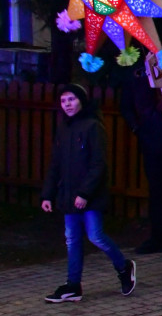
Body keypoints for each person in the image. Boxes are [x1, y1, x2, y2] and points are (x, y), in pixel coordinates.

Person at [42, 84, 137, 303]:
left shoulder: (93, 126)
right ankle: (73, 285)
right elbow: (55, 164)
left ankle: (124, 267)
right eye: (64, 100)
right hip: (67, 195)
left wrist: (85, 193)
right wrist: (47, 194)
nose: (67, 104)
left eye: (72, 99)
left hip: (89, 196)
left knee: (95, 235)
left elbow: (98, 164)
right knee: (72, 239)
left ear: (82, 101)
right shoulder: (64, 128)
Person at [119, 60, 162, 255]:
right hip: (151, 140)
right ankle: (157, 237)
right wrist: (138, 128)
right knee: (156, 190)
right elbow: (126, 105)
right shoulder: (136, 75)